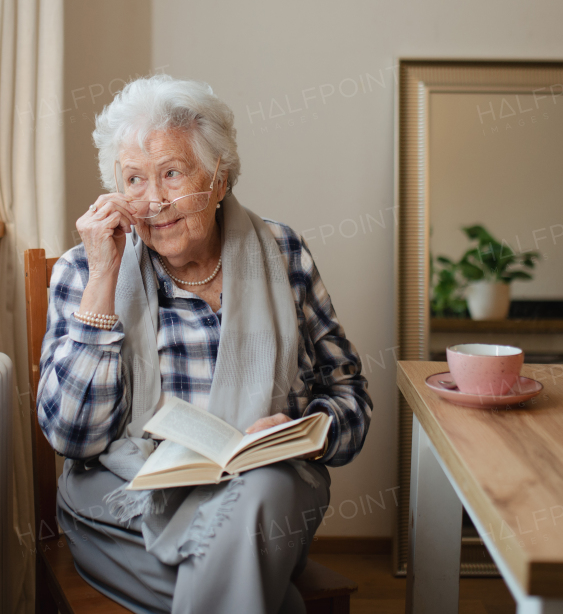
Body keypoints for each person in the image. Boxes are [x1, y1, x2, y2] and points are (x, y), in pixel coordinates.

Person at [37, 75, 372, 614]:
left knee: (263, 493)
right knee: (261, 586)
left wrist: (306, 433)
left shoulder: (283, 254)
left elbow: (349, 396)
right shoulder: (86, 268)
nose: (153, 201)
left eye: (171, 173)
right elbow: (73, 436)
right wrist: (103, 278)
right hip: (127, 499)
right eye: (134, 180)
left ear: (220, 178)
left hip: (265, 494)